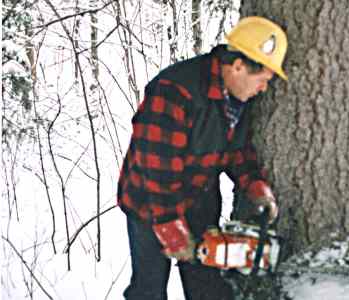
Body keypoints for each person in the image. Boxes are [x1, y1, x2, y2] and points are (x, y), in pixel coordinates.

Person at [117, 16, 288, 300]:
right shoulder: (175, 90)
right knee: (148, 289)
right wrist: (169, 223)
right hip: (150, 204)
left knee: (208, 287)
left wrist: (255, 185)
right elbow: (155, 166)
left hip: (199, 199)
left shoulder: (240, 97)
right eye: (263, 79)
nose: (264, 88)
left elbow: (238, 150)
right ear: (238, 66)